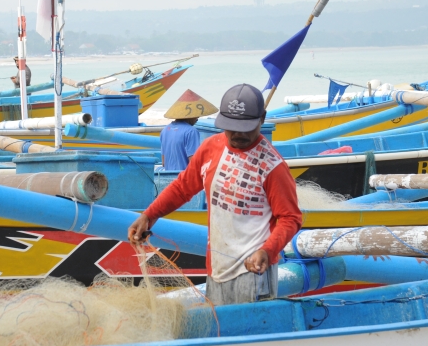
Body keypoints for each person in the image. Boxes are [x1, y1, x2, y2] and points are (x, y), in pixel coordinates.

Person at [128, 84, 302, 306]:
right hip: (216, 265)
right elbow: (183, 187)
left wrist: (267, 250)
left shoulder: (273, 167)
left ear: (262, 118)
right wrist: (149, 215)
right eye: (231, 127)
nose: (238, 134)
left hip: (253, 270)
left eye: (245, 127)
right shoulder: (211, 147)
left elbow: (290, 218)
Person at [160, 89, 217, 170]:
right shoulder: (191, 131)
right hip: (184, 178)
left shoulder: (165, 130)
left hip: (169, 177)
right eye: (196, 116)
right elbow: (194, 163)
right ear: (190, 116)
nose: (197, 119)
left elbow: (163, 162)